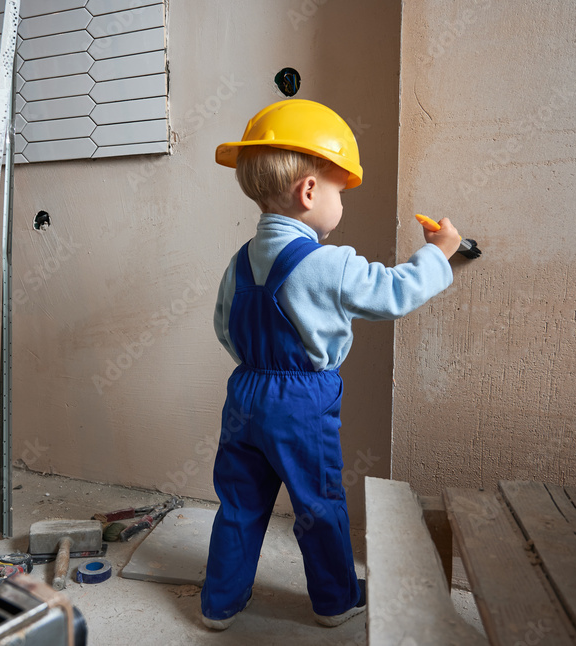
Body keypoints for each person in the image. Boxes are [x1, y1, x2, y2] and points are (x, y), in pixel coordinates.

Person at [201, 99, 460, 630]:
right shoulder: (328, 263)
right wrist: (439, 252)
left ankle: (219, 604)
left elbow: (224, 326)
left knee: (239, 502)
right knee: (318, 502)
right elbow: (392, 293)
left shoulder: (239, 260)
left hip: (244, 392)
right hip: (300, 400)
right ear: (310, 191)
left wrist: (258, 366)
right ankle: (336, 599)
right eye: (339, 190)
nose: (341, 202)